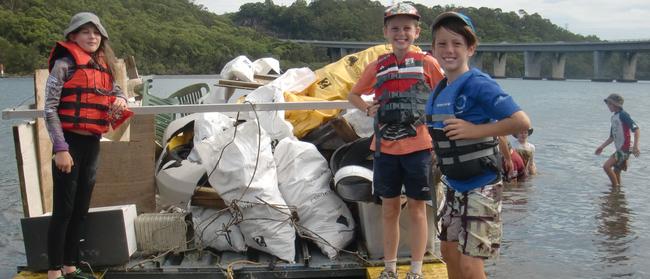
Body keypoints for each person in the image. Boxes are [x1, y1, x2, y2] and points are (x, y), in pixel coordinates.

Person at [425, 12, 531, 279]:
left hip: (481, 186)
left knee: (472, 266)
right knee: (449, 254)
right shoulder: (438, 91)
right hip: (453, 186)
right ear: (433, 49)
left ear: (470, 48)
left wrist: (477, 130)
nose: (449, 50)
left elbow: (520, 121)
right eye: (442, 44)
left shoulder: (478, 83)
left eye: (457, 43)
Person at [347, 3, 444, 279]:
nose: (401, 33)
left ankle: (416, 270)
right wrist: (367, 108)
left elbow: (444, 96)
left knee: (417, 209)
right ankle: (389, 268)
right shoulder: (377, 66)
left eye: (407, 28)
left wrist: (440, 137)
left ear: (416, 32)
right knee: (388, 209)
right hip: (385, 149)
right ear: (386, 32)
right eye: (395, 28)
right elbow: (354, 95)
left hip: (419, 148)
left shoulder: (428, 63)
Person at [45, 12, 131, 279]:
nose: (91, 37)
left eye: (96, 32)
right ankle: (53, 270)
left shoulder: (103, 66)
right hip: (68, 143)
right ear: (72, 36)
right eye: (85, 32)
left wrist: (122, 100)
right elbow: (49, 109)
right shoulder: (64, 64)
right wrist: (60, 148)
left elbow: (115, 91)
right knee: (64, 210)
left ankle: (71, 266)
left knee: (81, 208)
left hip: (91, 142)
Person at [595, 93, 640, 187]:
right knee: (616, 171)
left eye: (609, 104)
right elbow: (612, 137)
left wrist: (636, 146)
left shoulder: (623, 115)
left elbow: (636, 129)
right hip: (620, 148)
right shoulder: (613, 117)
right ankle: (618, 194)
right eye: (607, 104)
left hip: (625, 148)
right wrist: (602, 147)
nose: (608, 106)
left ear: (616, 104)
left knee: (606, 166)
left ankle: (615, 189)